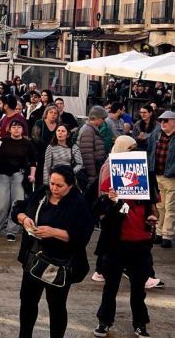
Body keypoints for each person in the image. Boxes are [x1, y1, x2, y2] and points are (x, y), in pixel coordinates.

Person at [12, 165, 94, 338]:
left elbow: (82, 236)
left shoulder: (78, 203)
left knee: (56, 306)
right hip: (34, 257)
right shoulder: (42, 192)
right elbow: (19, 209)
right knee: (27, 303)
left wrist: (53, 232)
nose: (54, 189)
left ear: (70, 185)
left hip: (59, 262)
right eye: (52, 184)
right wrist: (24, 219)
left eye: (59, 186)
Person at [93, 137, 158, 338]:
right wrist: (111, 201)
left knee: (138, 289)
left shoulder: (148, 177)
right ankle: (104, 322)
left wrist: (153, 217)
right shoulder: (110, 178)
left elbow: (154, 208)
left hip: (140, 241)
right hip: (116, 241)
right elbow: (99, 210)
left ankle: (140, 324)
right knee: (110, 286)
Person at [0, 120, 36, 241]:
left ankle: (12, 230)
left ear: (22, 129)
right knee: (1, 204)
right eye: (14, 127)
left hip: (19, 175)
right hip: (2, 174)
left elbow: (33, 161)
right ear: (9, 129)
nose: (16, 129)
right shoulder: (2, 142)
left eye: (19, 127)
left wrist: (32, 175)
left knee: (17, 203)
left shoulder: (27, 144)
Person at [146, 110, 175, 248]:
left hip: (171, 177)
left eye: (166, 120)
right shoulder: (156, 134)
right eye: (162, 120)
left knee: (170, 206)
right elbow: (150, 151)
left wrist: (171, 171)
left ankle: (167, 235)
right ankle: (158, 233)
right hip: (156, 175)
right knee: (159, 206)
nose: (163, 123)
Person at [77, 106, 110, 192]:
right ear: (97, 118)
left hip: (94, 168)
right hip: (91, 172)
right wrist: (92, 175)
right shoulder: (88, 131)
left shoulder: (91, 129)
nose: (103, 121)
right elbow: (87, 155)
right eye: (103, 118)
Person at [31, 105, 59, 186]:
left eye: (55, 113)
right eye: (51, 112)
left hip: (53, 155)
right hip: (40, 155)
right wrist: (47, 146)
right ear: (46, 113)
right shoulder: (40, 122)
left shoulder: (58, 125)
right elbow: (34, 136)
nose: (53, 114)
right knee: (40, 178)